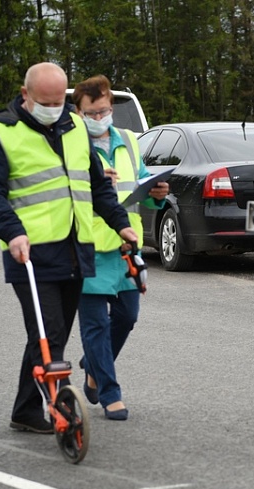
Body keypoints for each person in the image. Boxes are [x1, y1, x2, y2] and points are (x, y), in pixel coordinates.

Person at [0, 62, 138, 434]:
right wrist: (12, 231)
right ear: (25, 94)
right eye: (45, 102)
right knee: (50, 332)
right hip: (30, 252)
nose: (53, 109)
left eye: (58, 102)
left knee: (51, 334)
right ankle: (64, 411)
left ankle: (25, 410)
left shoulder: (75, 126)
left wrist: (121, 223)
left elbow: (96, 186)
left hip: (76, 249)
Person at [70, 75, 169, 421]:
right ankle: (109, 392)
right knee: (95, 325)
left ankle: (93, 364)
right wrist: (95, 186)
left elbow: (139, 181)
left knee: (127, 316)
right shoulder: (69, 144)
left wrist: (156, 195)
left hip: (128, 245)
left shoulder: (128, 139)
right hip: (89, 246)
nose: (100, 118)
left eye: (106, 110)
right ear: (78, 112)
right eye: (92, 113)